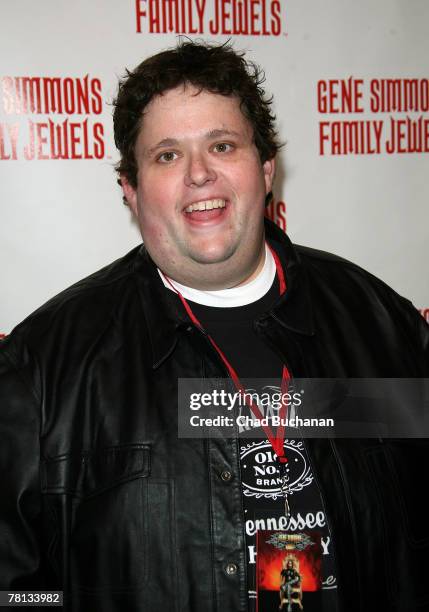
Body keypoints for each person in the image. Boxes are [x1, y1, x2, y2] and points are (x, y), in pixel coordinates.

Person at [0, 40, 428, 612]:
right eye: (168, 155)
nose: (200, 173)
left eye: (222, 145)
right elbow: (17, 592)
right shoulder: (45, 364)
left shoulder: (378, 320)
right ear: (129, 189)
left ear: (266, 169)